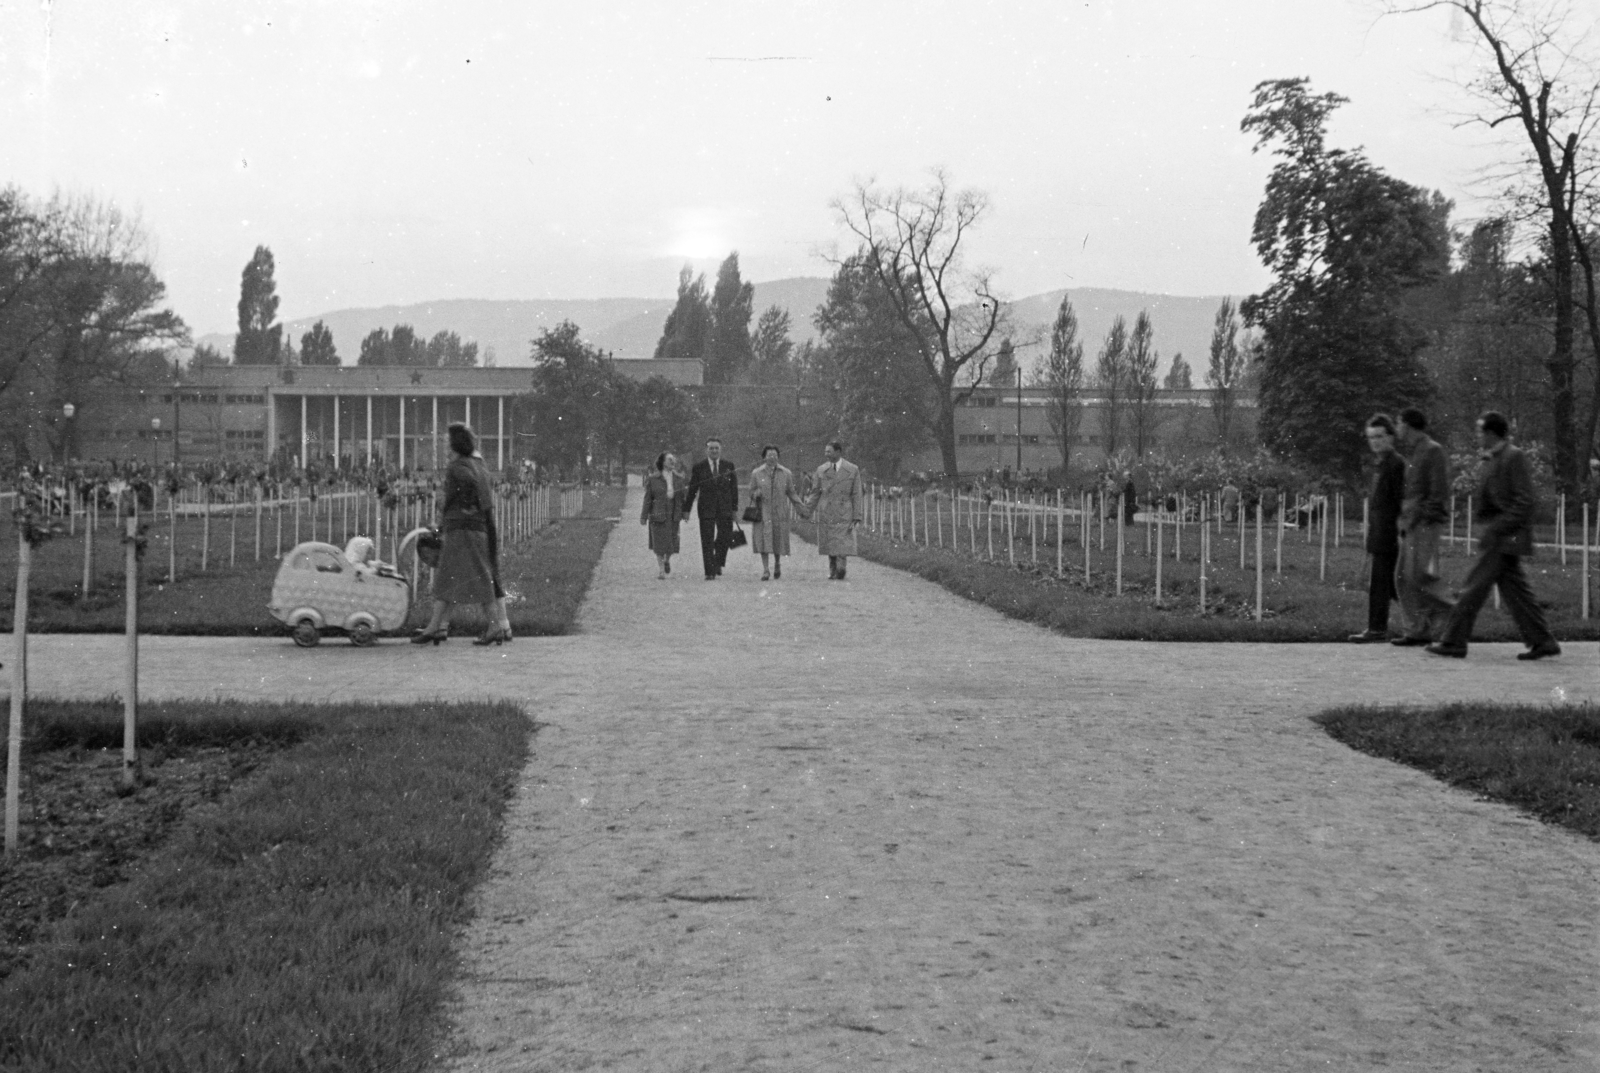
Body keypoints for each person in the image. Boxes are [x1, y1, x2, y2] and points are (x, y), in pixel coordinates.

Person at [1427, 412, 1560, 660]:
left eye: (1479, 431)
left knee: (1473, 588)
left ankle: (1453, 641)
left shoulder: (1513, 456)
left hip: (1504, 538)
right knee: (1517, 594)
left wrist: (1497, 527)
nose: (1477, 436)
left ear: (1490, 433)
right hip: (1499, 536)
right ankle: (1543, 641)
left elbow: (1525, 501)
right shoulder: (1494, 457)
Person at [413, 422, 510, 646]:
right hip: (474, 529)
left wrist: (462, 505)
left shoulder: (458, 467)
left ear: (455, 443)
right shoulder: (478, 464)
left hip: (464, 530)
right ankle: (434, 627)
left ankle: (494, 626)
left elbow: (465, 487)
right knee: (448, 579)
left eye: (448, 440)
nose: (446, 444)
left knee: (475, 579)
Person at [1391, 407, 1455, 646]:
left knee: (1416, 576)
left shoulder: (1432, 451)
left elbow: (1438, 492)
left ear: (1407, 425)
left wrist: (1420, 518)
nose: (1396, 429)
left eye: (1398, 423)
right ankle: (1416, 629)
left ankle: (1453, 609)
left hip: (1426, 523)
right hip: (1412, 523)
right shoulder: (1415, 451)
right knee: (1402, 577)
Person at [1350, 414, 1406, 642]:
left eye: (1380, 436)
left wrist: (1399, 532)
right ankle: (1422, 624)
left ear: (1391, 437)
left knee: (1385, 585)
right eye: (1371, 437)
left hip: (1390, 533)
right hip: (1380, 532)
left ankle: (1377, 629)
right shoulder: (1379, 464)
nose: (1375, 441)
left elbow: (1400, 500)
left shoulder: (1395, 464)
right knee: (1389, 585)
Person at [682, 437, 739, 580]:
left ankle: (718, 561)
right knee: (707, 539)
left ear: (721, 449)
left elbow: (734, 489)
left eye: (716, 448)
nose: (714, 451)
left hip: (725, 508)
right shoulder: (699, 467)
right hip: (706, 508)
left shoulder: (728, 466)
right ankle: (709, 571)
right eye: (711, 448)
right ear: (706, 450)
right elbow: (692, 490)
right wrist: (687, 509)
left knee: (724, 537)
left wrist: (734, 509)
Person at [805, 440, 863, 580]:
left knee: (842, 540)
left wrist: (857, 515)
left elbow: (857, 494)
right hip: (827, 511)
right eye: (825, 452)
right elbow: (815, 493)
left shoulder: (852, 469)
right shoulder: (821, 470)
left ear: (838, 452)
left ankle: (841, 568)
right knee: (830, 541)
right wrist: (807, 510)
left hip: (845, 511)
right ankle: (833, 569)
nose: (826, 454)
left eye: (829, 451)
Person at [747, 444, 806, 580]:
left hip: (779, 512)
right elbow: (750, 491)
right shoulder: (756, 473)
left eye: (774, 455)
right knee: (763, 539)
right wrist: (756, 493)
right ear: (764, 457)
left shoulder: (786, 473)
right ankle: (766, 569)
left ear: (778, 457)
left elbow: (792, 493)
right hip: (763, 512)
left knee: (778, 539)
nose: (772, 458)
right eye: (769, 455)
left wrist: (801, 508)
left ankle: (777, 563)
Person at [640, 452, 685, 579]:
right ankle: (661, 570)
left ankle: (667, 560)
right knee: (659, 544)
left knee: (671, 543)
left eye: (673, 460)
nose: (673, 462)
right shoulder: (653, 479)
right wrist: (643, 516)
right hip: (657, 514)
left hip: (673, 515)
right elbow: (647, 499)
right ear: (663, 462)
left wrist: (684, 513)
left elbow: (682, 498)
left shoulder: (679, 478)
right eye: (670, 460)